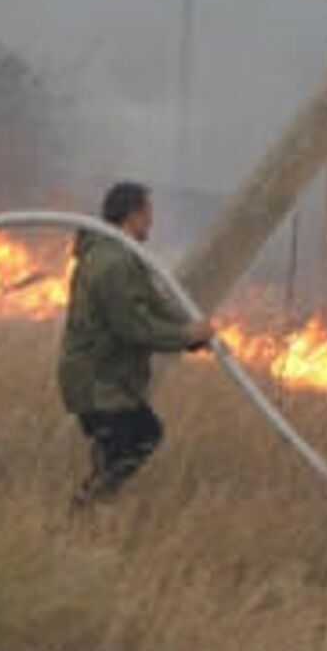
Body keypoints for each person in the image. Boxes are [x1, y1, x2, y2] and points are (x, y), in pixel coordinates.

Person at [56, 181, 214, 507]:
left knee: (133, 439)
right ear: (134, 214)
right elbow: (133, 326)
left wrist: (192, 332)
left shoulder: (122, 255)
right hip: (97, 381)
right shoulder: (112, 263)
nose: (152, 221)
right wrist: (185, 336)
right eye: (148, 212)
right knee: (139, 437)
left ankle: (92, 510)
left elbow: (154, 303)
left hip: (110, 380)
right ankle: (85, 510)